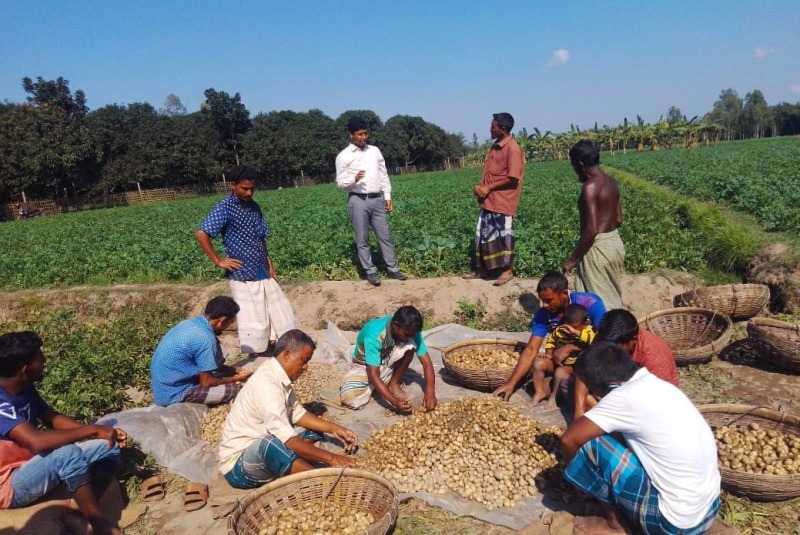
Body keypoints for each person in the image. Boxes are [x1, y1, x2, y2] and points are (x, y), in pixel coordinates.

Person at [560, 342, 720, 534]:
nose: (598, 396)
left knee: (590, 443)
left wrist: (579, 478)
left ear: (611, 385)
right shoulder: (660, 386)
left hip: (671, 524)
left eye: (597, 392)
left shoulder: (623, 397)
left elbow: (568, 440)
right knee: (611, 436)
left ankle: (614, 524)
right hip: (708, 512)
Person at [0, 332, 126, 535]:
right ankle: (100, 525)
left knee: (108, 447)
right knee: (66, 454)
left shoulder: (24, 387)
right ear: (26, 369)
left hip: (31, 466)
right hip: (8, 485)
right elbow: (37, 442)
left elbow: (52, 418)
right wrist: (92, 429)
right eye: (39, 358)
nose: (44, 361)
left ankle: (81, 515)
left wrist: (100, 433)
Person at [218, 330, 359, 489]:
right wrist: (331, 458)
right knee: (269, 444)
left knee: (313, 427)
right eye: (304, 360)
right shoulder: (267, 385)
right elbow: (287, 439)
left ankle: (290, 461)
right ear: (286, 355)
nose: (305, 367)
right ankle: (322, 483)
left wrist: (334, 428)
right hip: (240, 466)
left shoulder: (279, 376)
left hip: (268, 443)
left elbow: (297, 414)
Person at [196, 164, 296, 356]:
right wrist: (218, 261)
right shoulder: (224, 208)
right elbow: (202, 234)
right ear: (233, 185)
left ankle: (278, 345)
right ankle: (257, 351)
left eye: (252, 188)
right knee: (252, 316)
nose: (249, 193)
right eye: (244, 189)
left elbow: (261, 238)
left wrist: (270, 266)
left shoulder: (254, 207)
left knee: (277, 310)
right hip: (242, 272)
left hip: (261, 267)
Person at [493, 271, 605, 404]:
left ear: (564, 294)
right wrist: (511, 383)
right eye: (542, 300)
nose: (544, 305)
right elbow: (531, 350)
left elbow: (605, 341)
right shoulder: (544, 314)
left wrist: (570, 348)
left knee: (573, 388)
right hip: (562, 365)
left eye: (548, 300)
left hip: (588, 361)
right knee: (545, 380)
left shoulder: (590, 303)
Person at [335, 116, 407, 287]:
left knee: (385, 236)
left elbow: (383, 174)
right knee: (362, 240)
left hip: (377, 199)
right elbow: (340, 183)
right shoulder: (343, 156)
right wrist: (353, 179)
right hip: (358, 200)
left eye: (365, 133)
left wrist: (387, 195)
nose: (363, 137)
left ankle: (393, 269)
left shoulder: (374, 151)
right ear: (351, 135)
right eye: (359, 134)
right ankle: (371, 272)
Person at [572, 308, 679, 420]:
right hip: (615, 390)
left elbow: (657, 400)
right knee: (569, 382)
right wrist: (579, 411)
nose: (609, 351)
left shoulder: (654, 355)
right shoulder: (603, 338)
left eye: (616, 348)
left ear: (634, 340)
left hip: (648, 402)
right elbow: (586, 366)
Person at [150, 296, 252, 407]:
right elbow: (206, 383)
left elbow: (203, 361)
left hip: (163, 389)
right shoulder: (205, 338)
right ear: (222, 321)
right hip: (174, 393)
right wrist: (236, 378)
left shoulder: (189, 324)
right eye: (229, 323)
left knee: (219, 374)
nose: (226, 327)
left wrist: (231, 369)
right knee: (234, 390)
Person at [562, 139, 625, 310]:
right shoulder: (612, 182)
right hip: (615, 244)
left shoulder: (590, 187)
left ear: (580, 164)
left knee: (600, 304)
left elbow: (591, 230)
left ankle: (614, 334)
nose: (575, 170)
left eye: (574, 165)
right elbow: (619, 219)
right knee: (612, 296)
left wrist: (571, 259)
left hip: (598, 249)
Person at [464, 113, 525, 287]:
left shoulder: (512, 148)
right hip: (488, 200)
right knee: (484, 235)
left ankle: (507, 271)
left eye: (493, 127)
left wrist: (488, 188)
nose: (490, 129)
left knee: (504, 236)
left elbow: (513, 177)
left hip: (503, 201)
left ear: (503, 129)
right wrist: (481, 187)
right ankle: (483, 269)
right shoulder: (495, 147)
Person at [340, 306, 437, 413]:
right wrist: (395, 402)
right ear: (395, 325)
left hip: (386, 359)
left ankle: (393, 383)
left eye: (412, 334)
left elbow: (426, 362)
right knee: (349, 398)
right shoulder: (374, 335)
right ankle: (381, 386)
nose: (409, 337)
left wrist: (430, 392)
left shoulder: (411, 330)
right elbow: (373, 374)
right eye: (406, 334)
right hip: (364, 365)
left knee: (410, 347)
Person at [542, 304, 595, 410]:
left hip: (572, 367)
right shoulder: (560, 330)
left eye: (574, 327)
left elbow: (593, 341)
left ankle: (553, 397)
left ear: (586, 324)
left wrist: (577, 333)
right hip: (556, 362)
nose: (570, 330)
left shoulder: (587, 332)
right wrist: (549, 352)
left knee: (560, 373)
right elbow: (551, 341)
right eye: (568, 326)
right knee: (539, 364)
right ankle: (540, 392)